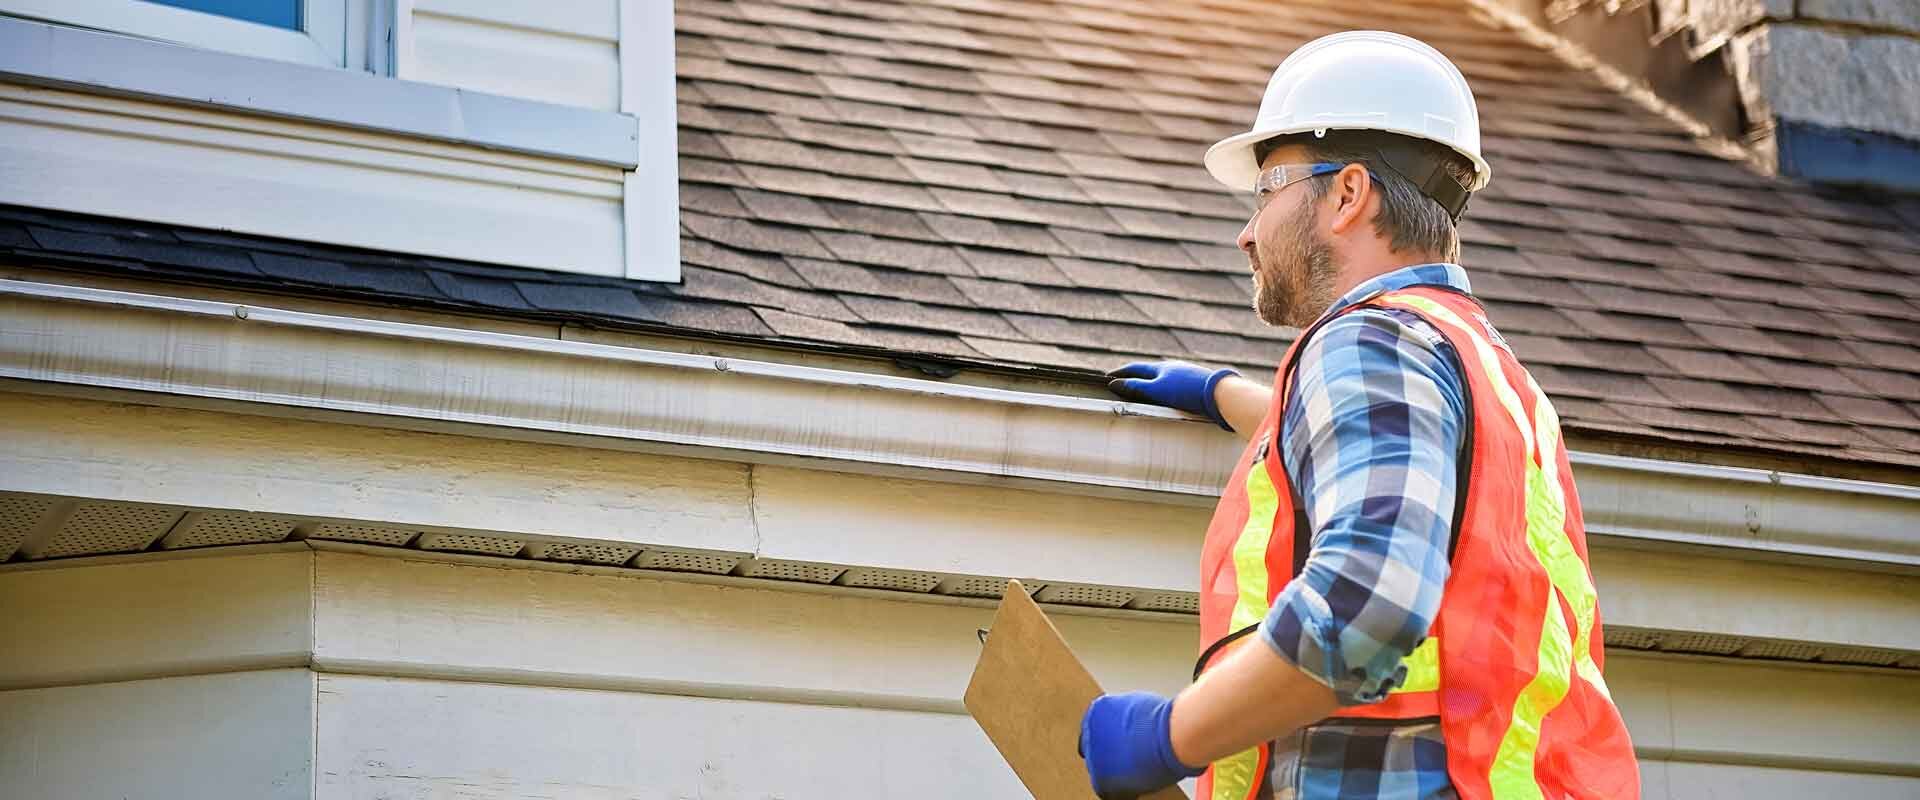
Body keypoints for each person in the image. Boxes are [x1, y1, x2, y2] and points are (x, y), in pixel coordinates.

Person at [1077, 31, 1640, 800]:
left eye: (1265, 192)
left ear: (1347, 194)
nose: (1247, 232)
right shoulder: (1481, 363)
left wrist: (1167, 735)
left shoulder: (1368, 342)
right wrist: (1233, 398)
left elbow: (1364, 606)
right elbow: (1394, 456)